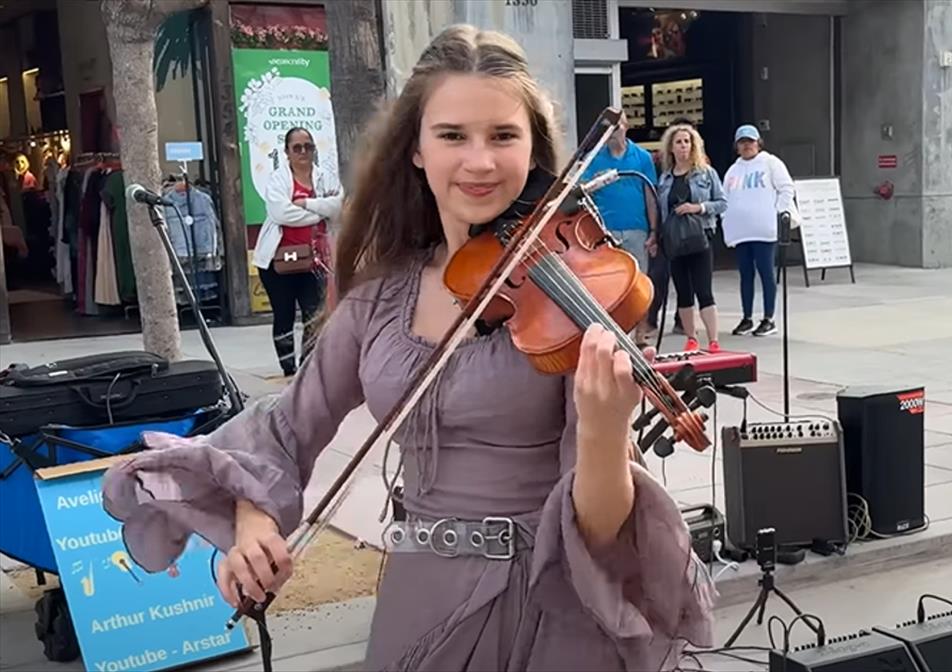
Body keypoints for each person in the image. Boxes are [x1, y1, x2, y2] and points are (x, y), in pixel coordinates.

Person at [100, 25, 715, 671]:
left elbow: (601, 529)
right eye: (452, 135)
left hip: (551, 604)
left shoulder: (570, 297)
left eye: (503, 136)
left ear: (534, 150)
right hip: (420, 593)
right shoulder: (378, 302)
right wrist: (253, 521)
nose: (479, 162)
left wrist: (604, 429)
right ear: (417, 149)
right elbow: (285, 428)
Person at [251, 127, 344, 377]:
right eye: (297, 147)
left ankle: (307, 368)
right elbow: (281, 213)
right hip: (277, 263)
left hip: (315, 261)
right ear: (287, 152)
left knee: (314, 315)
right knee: (284, 315)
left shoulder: (326, 177)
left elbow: (339, 207)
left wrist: (305, 203)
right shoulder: (278, 180)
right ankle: (288, 367)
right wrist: (320, 210)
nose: (303, 152)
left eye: (308, 146)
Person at [581, 111, 660, 344]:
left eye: (615, 127)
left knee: (640, 284)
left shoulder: (642, 157)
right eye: (606, 129)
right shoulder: (594, 157)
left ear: (625, 127)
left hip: (636, 229)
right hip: (606, 230)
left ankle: (641, 336)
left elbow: (650, 194)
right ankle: (614, 335)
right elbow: (580, 189)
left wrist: (654, 232)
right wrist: (596, 180)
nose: (611, 133)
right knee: (609, 285)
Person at [656, 123, 727, 352]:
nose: (683, 146)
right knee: (683, 291)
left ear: (694, 145)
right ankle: (691, 337)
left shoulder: (706, 173)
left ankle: (713, 339)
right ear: (671, 148)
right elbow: (660, 210)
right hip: (675, 241)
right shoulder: (665, 178)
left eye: (687, 141)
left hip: (699, 237)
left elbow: (722, 203)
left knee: (704, 290)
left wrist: (698, 207)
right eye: (678, 142)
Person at [721, 124, 797, 337]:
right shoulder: (733, 171)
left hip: (764, 230)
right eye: (743, 142)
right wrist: (727, 221)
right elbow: (724, 198)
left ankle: (769, 317)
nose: (747, 146)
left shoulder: (771, 163)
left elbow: (787, 188)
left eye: (750, 141)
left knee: (766, 272)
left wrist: (778, 213)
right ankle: (747, 317)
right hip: (742, 232)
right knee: (745, 274)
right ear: (737, 146)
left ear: (758, 143)